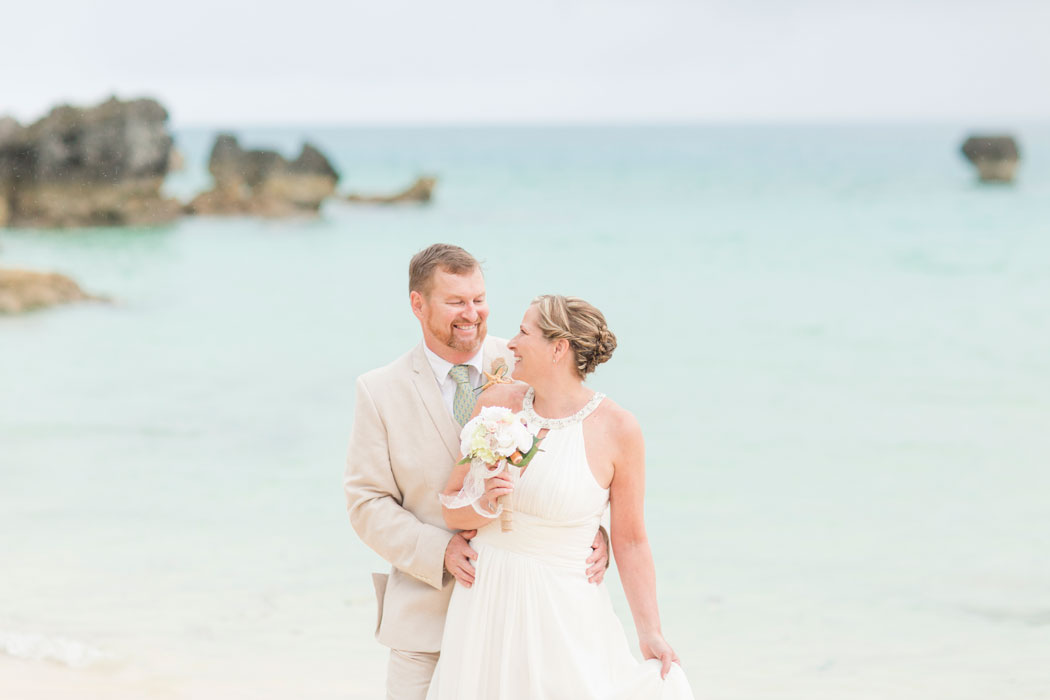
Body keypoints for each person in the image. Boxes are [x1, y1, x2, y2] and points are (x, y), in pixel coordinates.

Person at [344, 245, 610, 700]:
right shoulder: (379, 390)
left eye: (479, 299)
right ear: (418, 304)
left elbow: (585, 444)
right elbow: (366, 503)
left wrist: (591, 527)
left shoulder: (528, 361)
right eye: (456, 302)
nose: (473, 314)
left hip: (518, 620)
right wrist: (439, 550)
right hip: (425, 620)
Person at [427, 295, 695, 700]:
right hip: (485, 604)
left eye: (523, 331)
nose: (511, 343)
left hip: (563, 611)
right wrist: (482, 503)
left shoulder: (619, 429)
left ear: (558, 348)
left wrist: (650, 632)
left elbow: (631, 540)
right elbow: (451, 506)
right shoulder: (494, 404)